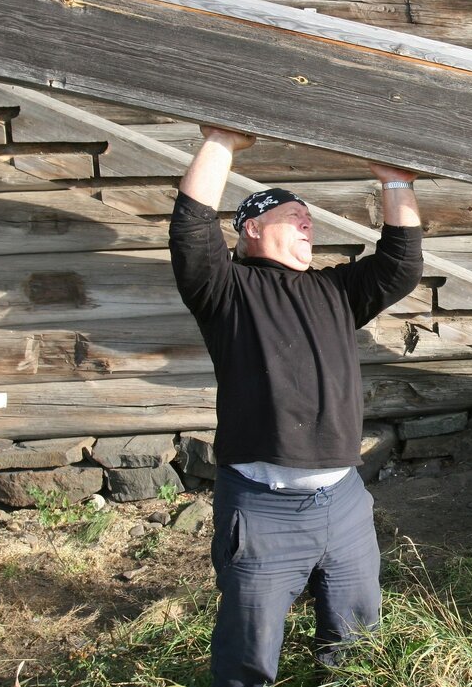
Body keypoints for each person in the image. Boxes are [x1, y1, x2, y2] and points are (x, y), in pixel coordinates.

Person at [169, 125, 424, 686]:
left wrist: (396, 180)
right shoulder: (226, 292)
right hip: (262, 510)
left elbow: (401, 266)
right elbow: (191, 233)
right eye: (293, 215)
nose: (308, 222)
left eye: (309, 217)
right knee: (248, 659)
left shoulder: (335, 290)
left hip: (344, 503)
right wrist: (220, 143)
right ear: (252, 229)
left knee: (356, 649)